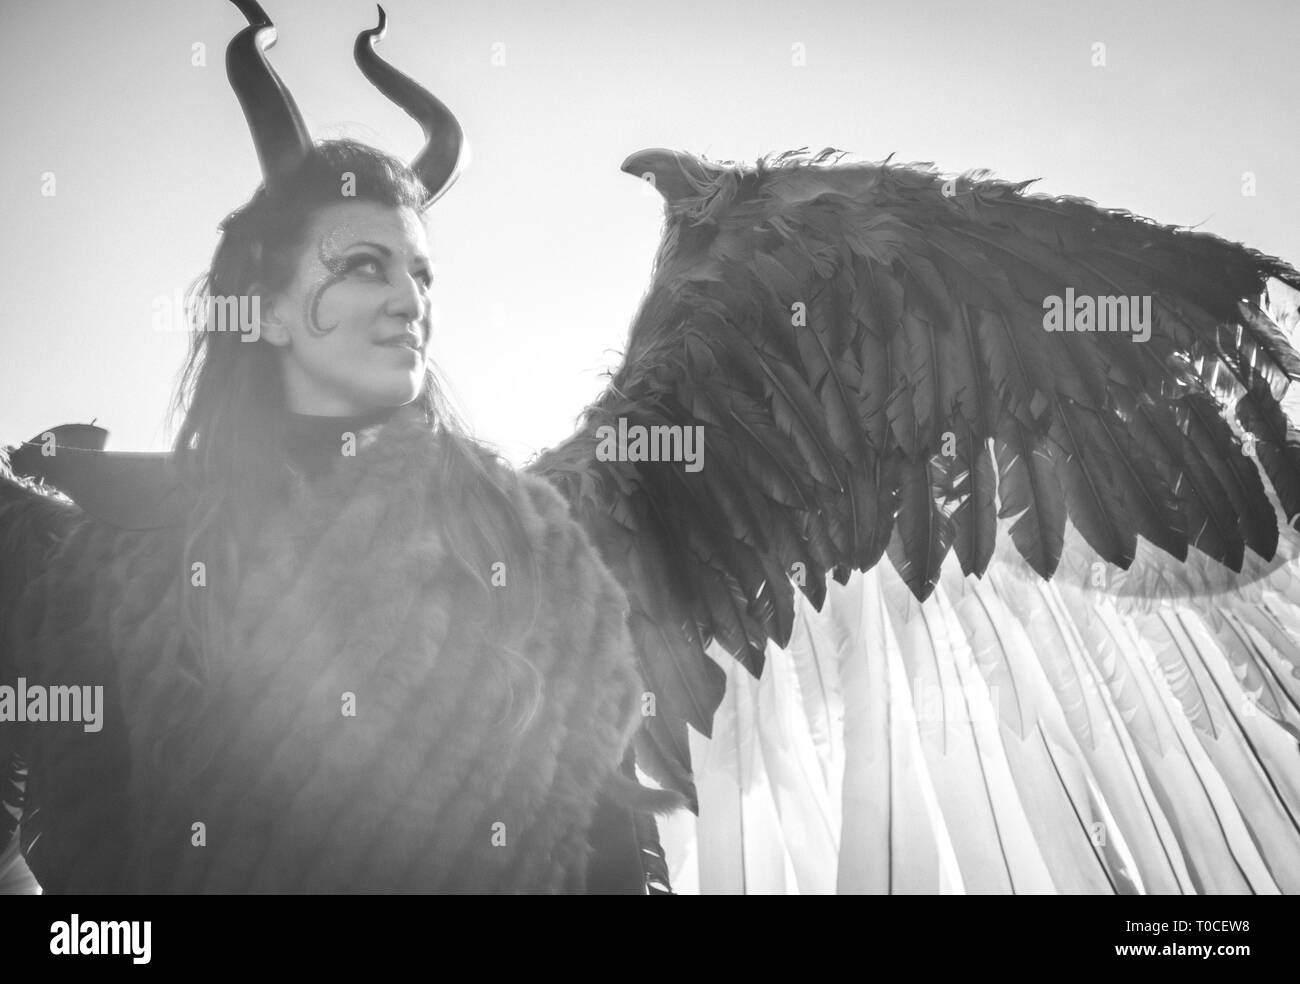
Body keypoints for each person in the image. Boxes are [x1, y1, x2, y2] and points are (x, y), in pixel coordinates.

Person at [0, 1, 660, 894]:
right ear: (267, 310)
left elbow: (605, 837)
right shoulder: (133, 557)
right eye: (363, 267)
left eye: (418, 272)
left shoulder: (527, 542)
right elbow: (94, 857)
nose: (410, 301)